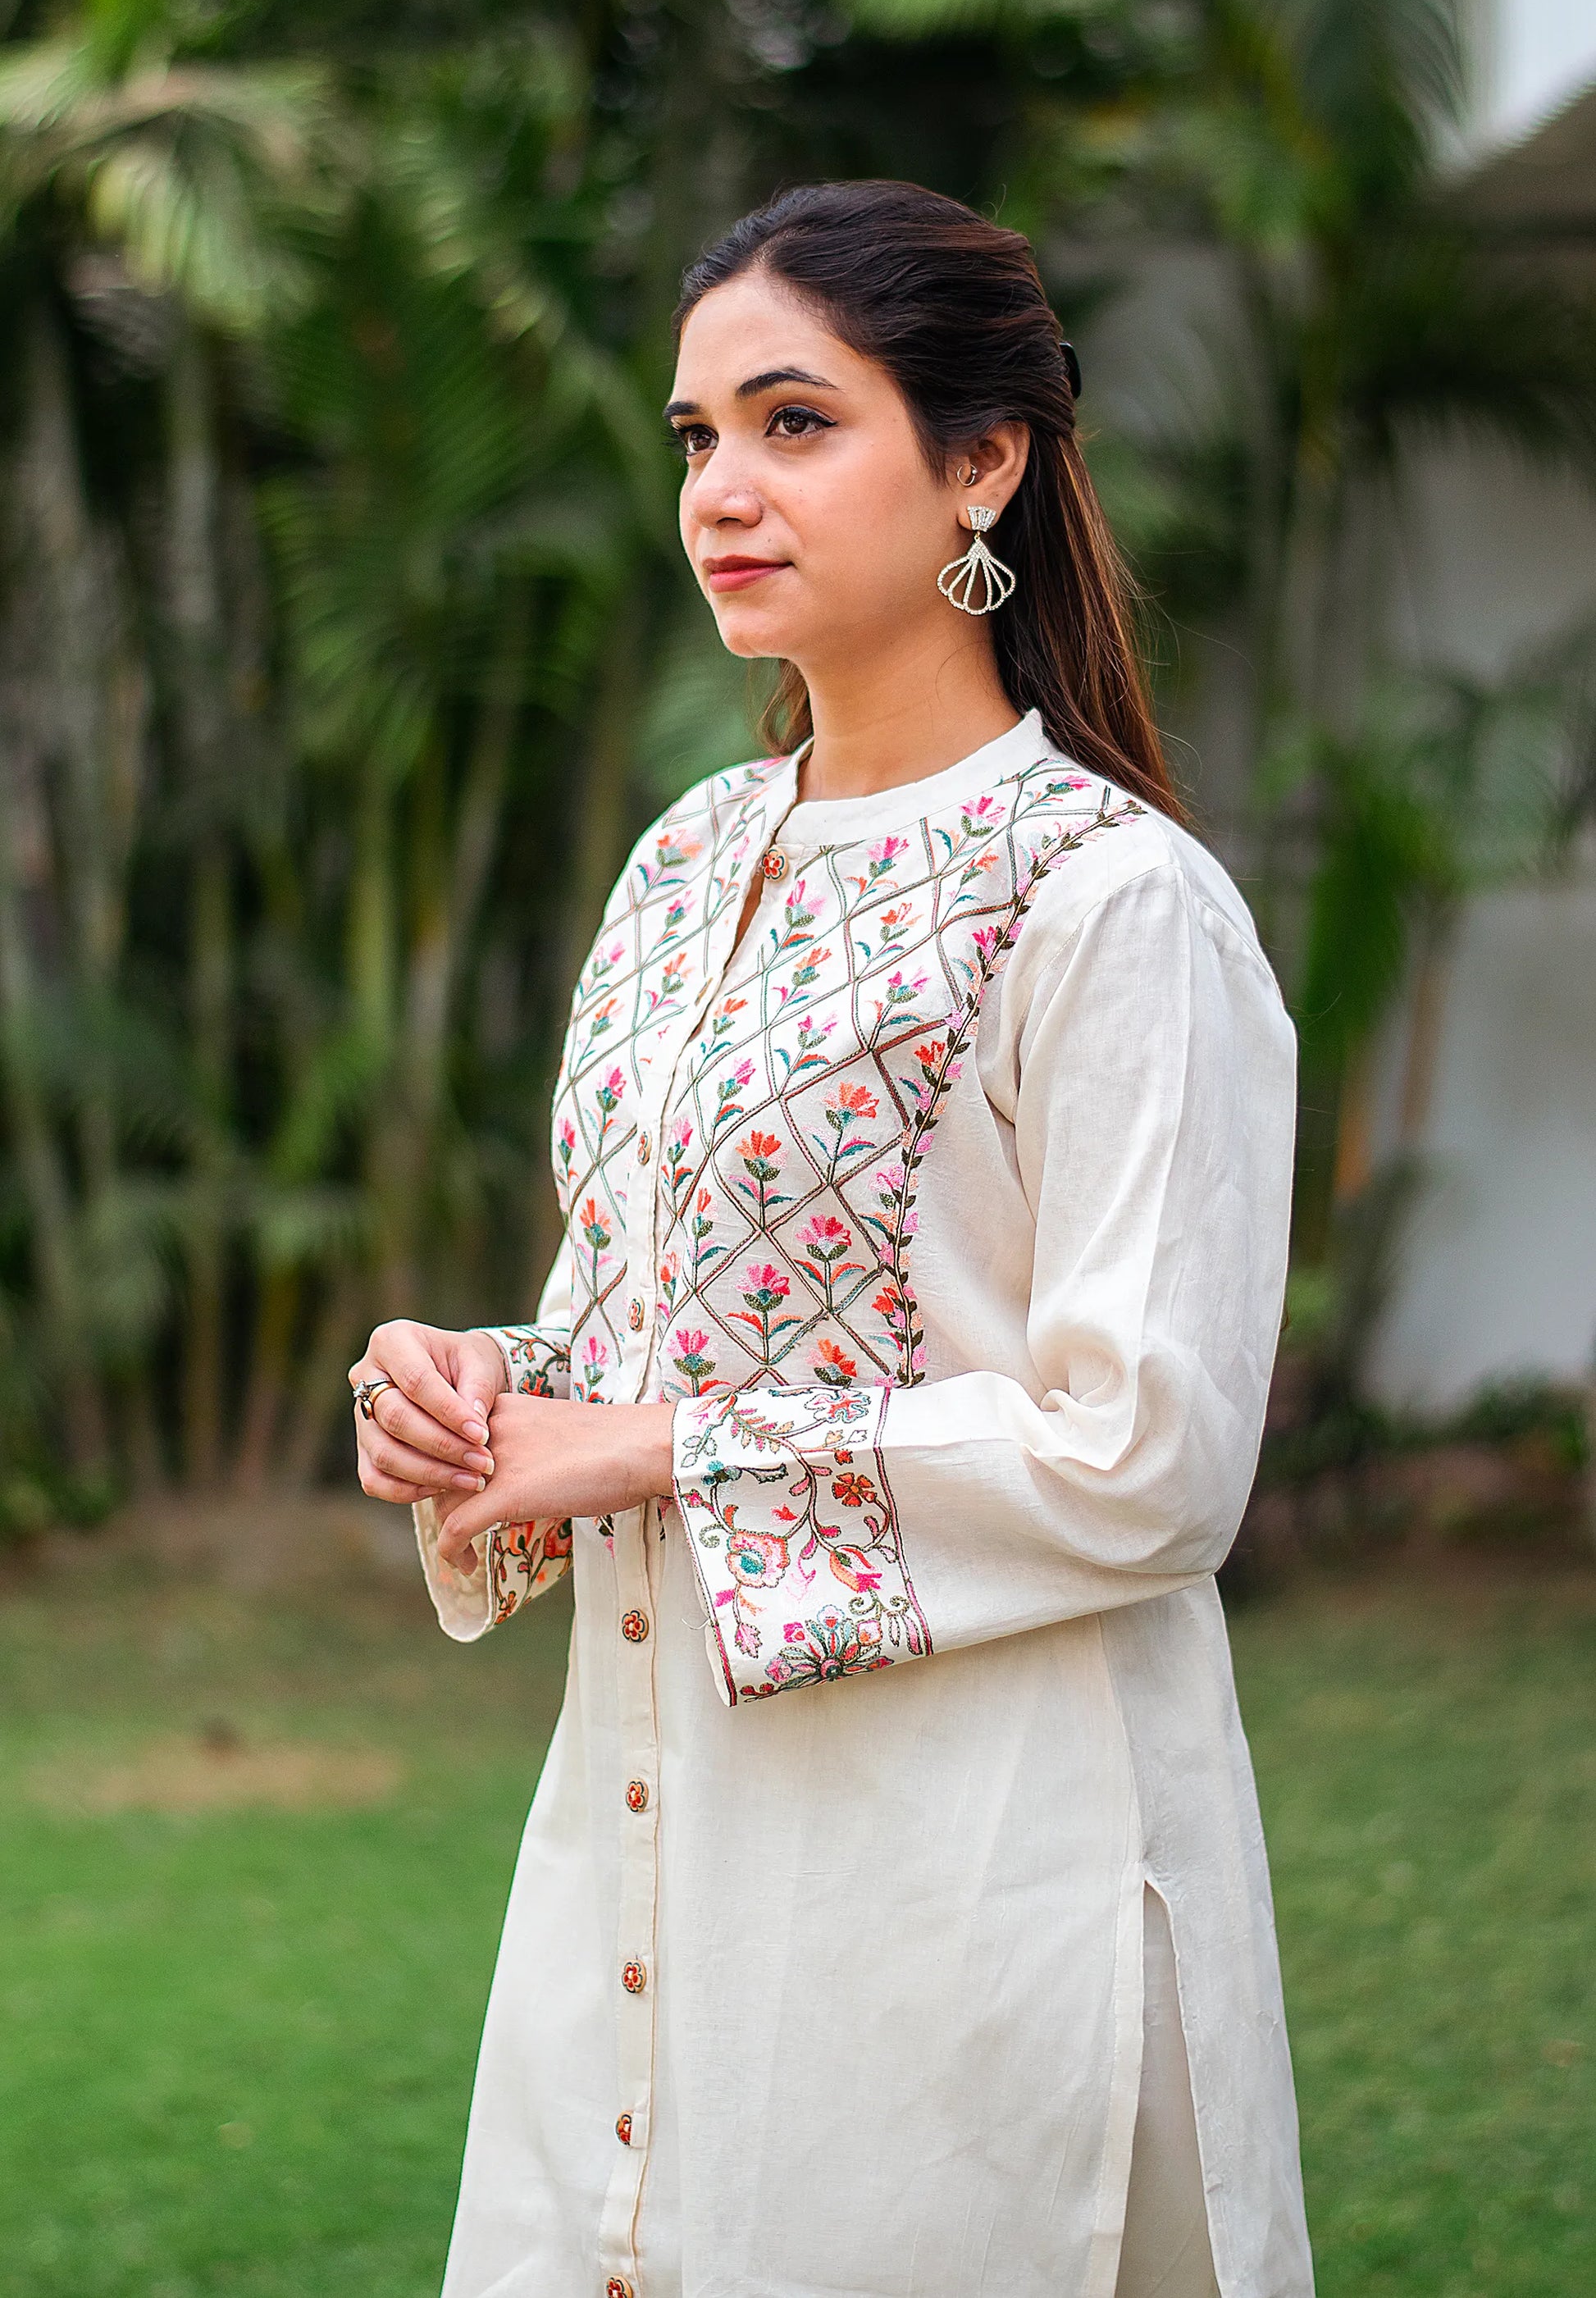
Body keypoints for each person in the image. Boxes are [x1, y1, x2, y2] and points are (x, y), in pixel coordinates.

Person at [349, 178, 1315, 2298]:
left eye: (795, 423)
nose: (723, 489)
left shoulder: (1111, 903)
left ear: (981, 459)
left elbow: (1144, 1454)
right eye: (697, 437)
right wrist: (484, 1390)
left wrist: (654, 1451)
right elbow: (638, 1324)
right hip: (643, 1812)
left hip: (969, 1851)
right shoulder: (688, 864)